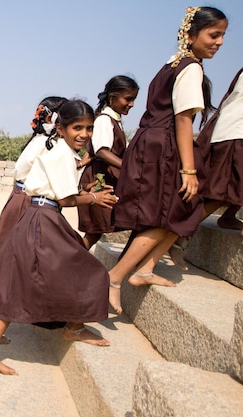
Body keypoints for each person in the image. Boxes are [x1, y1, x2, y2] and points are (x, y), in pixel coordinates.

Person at [0, 100, 118, 376]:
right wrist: (95, 197)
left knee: (22, 280)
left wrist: (85, 189)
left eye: (89, 128)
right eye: (78, 128)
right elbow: (65, 198)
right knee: (91, 270)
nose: (84, 134)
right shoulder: (61, 153)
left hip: (41, 216)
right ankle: (74, 327)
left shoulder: (58, 149)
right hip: (43, 220)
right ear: (61, 128)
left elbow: (58, 189)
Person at [109, 6, 228, 315]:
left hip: (152, 142)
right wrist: (189, 170)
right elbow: (184, 121)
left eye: (222, 36)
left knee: (183, 210)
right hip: (166, 147)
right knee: (167, 213)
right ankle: (115, 277)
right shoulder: (191, 68)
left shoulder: (169, 65)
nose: (219, 42)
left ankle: (146, 267)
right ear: (190, 36)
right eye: (214, 35)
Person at [0, 97, 68, 343]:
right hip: (25, 203)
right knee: (11, 262)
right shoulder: (44, 143)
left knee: (11, 262)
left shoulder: (47, 142)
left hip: (24, 201)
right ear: (52, 118)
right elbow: (29, 172)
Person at [78, 76, 139, 249]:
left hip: (107, 178)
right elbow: (101, 151)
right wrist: (128, 167)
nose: (132, 104)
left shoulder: (115, 121)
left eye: (133, 100)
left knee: (97, 231)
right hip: (99, 180)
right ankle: (70, 262)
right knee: (95, 231)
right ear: (112, 97)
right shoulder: (104, 120)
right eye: (128, 99)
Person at [196, 67, 243, 232]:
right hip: (235, 134)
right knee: (222, 192)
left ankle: (229, 216)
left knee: (231, 188)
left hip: (232, 132)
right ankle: (178, 234)